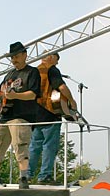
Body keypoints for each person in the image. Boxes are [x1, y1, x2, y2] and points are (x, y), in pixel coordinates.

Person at [0, 41, 41, 189]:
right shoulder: (10, 74)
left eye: (16, 56)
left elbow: (33, 94)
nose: (14, 60)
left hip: (22, 114)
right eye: (12, 57)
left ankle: (24, 177)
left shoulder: (32, 72)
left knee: (20, 144)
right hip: (5, 115)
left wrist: (15, 96)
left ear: (25, 55)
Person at [28, 52, 77, 185]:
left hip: (35, 114)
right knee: (49, 146)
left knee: (34, 146)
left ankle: (26, 175)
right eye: (57, 59)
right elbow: (61, 86)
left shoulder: (33, 71)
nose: (57, 62)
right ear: (51, 57)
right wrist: (72, 101)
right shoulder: (52, 69)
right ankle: (44, 176)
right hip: (50, 112)